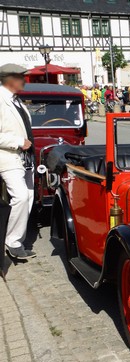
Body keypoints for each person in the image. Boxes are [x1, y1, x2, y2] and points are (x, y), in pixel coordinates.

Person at [0, 64, 36, 259]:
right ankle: (11, 241)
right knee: (21, 196)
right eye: (21, 77)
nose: (24, 81)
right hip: (8, 157)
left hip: (25, 158)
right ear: (9, 79)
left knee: (29, 197)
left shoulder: (17, 101)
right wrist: (18, 142)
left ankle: (17, 241)